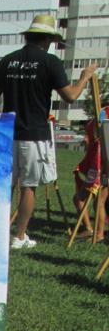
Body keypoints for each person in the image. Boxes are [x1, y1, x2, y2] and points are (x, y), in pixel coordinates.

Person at [0, 14, 97, 249]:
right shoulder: (49, 62)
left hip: (7, 133)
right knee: (28, 186)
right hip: (34, 134)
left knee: (6, 186)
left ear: (28, 36)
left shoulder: (7, 60)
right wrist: (84, 77)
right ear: (47, 39)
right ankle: (19, 236)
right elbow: (71, 96)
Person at [72, 104, 109, 243]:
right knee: (82, 199)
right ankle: (90, 229)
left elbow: (98, 138)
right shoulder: (102, 113)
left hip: (102, 165)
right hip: (96, 164)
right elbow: (91, 138)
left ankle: (98, 234)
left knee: (97, 201)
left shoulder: (104, 114)